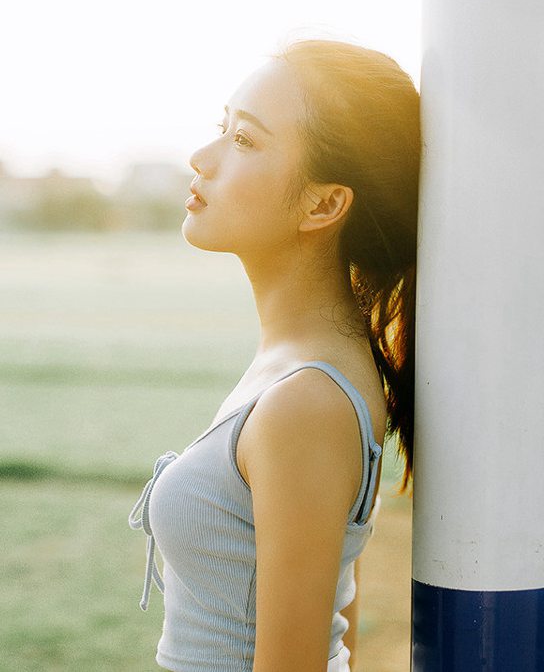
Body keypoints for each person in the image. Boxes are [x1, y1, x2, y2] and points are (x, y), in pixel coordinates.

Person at [129, 36, 420, 672]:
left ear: (324, 204)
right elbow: (338, 614)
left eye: (244, 141)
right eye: (222, 129)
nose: (201, 158)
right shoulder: (301, 368)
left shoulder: (308, 400)